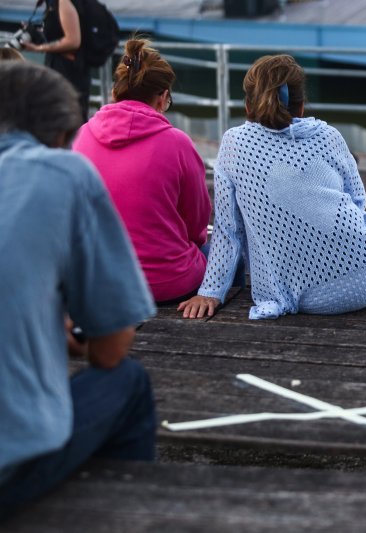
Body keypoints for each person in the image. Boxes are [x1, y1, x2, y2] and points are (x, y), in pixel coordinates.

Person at [0, 61, 156, 518]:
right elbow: (110, 348)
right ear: (62, 136)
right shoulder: (63, 172)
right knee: (128, 381)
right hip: (11, 464)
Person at [179, 54, 366, 320]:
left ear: (248, 106)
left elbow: (228, 229)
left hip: (301, 295)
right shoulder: (328, 136)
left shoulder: (234, 144)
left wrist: (211, 291)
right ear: (302, 106)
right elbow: (358, 201)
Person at [73, 39, 212, 304]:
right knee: (229, 257)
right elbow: (197, 225)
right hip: (167, 282)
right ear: (162, 97)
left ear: (115, 92)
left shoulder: (81, 137)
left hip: (98, 282)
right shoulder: (178, 143)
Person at [23, 0, 91, 121]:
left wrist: (38, 48)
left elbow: (73, 41)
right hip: (59, 70)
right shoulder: (52, 5)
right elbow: (57, 36)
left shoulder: (64, 2)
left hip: (68, 72)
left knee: (68, 118)